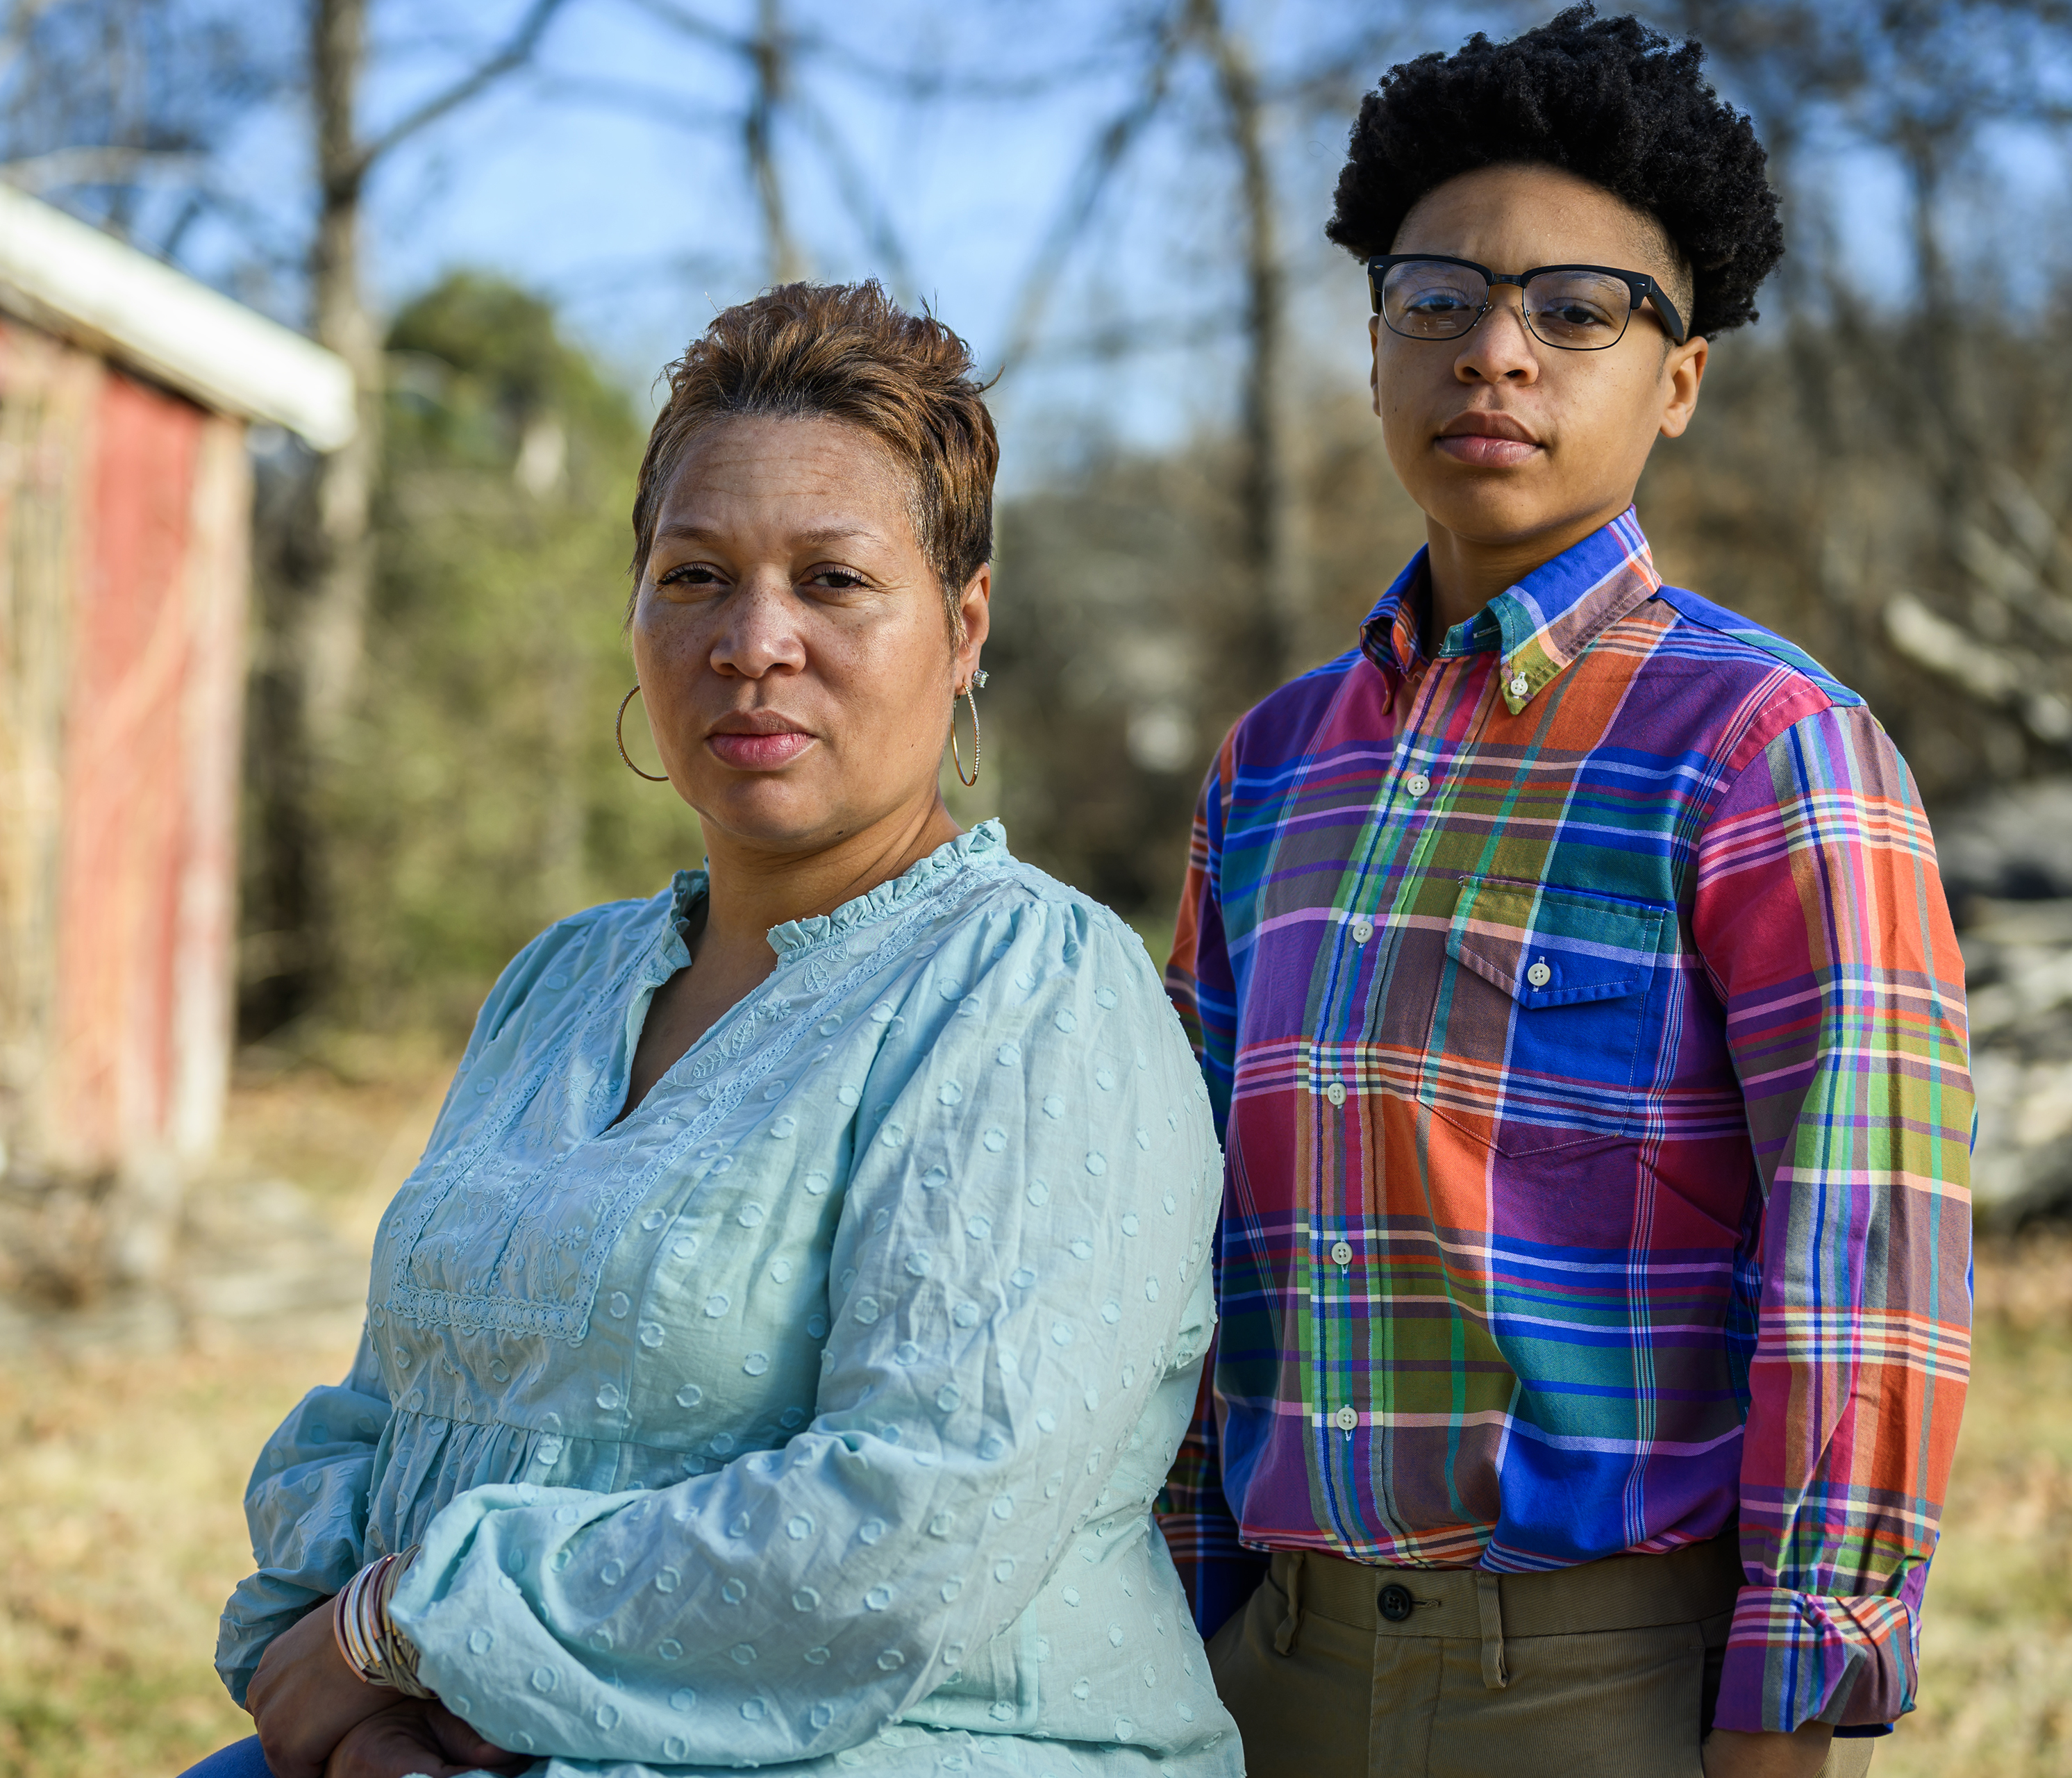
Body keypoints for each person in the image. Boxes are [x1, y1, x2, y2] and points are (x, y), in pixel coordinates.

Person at [185, 281, 1239, 1778]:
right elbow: (374, 1409)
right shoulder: (561, 980)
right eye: (695, 577)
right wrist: (352, 1699)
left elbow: (915, 1523)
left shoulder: (1029, 990)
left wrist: (410, 1623)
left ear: (967, 623)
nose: (755, 640)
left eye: (832, 579)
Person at [1155, 10, 1974, 1777]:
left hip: (1600, 1676)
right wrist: (1177, 1604)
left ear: (1677, 378)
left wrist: (1793, 1706)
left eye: (1577, 310)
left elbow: (1866, 1262)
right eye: (1437, 300)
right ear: (1376, 345)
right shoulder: (1272, 766)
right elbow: (1189, 1235)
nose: (1495, 355)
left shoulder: (1770, 751)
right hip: (1254, 1663)